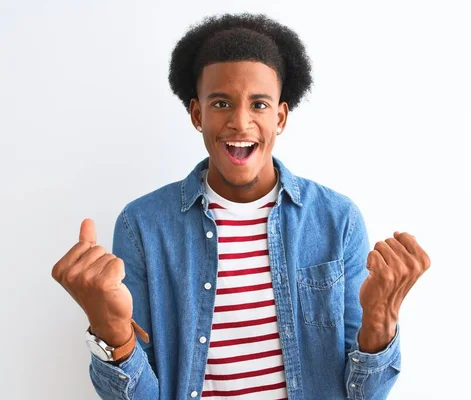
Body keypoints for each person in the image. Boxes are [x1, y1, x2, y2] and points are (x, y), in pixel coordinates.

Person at [51, 12, 431, 400]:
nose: (240, 121)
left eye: (260, 105)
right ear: (197, 114)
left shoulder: (337, 220)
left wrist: (381, 321)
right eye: (221, 103)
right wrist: (110, 329)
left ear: (280, 117)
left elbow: (363, 395)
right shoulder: (143, 226)